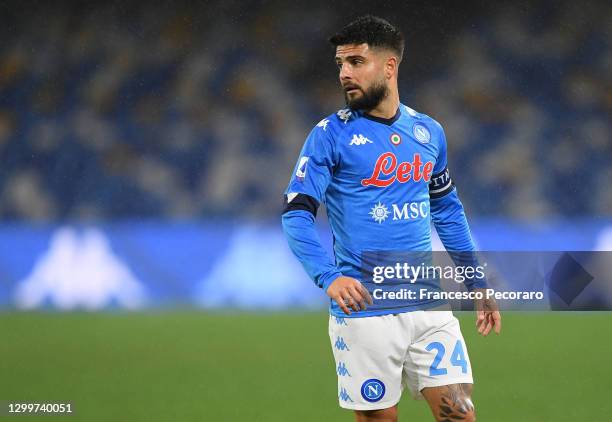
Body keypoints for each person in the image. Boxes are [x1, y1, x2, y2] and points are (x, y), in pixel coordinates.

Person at [281, 15, 501, 422]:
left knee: (460, 414)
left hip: (428, 305)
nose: (345, 73)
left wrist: (476, 280)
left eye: (356, 62)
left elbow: (448, 210)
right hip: (366, 311)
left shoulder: (428, 133)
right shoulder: (329, 135)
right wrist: (328, 277)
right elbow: (295, 216)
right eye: (340, 64)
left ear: (389, 67)